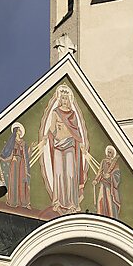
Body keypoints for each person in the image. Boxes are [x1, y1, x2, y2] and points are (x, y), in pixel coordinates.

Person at [38, 85, 89, 214]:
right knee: (59, 174)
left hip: (70, 145)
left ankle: (72, 203)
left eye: (66, 98)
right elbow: (52, 128)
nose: (65, 100)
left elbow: (76, 131)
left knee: (71, 174)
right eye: (63, 98)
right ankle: (57, 202)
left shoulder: (72, 114)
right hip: (58, 145)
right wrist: (45, 138)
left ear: (69, 100)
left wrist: (81, 144)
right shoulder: (55, 112)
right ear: (60, 99)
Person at [0, 123, 31, 209]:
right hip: (14, 163)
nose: (20, 131)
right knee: (14, 181)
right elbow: (7, 152)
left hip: (22, 163)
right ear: (16, 132)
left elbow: (26, 155)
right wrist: (1, 157)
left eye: (20, 130)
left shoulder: (23, 143)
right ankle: (13, 202)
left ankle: (24, 203)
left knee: (22, 181)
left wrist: (31, 149)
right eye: (18, 130)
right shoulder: (12, 142)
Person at [94, 145, 121, 219]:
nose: (108, 154)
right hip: (103, 184)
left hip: (110, 186)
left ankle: (110, 216)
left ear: (113, 154)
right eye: (108, 152)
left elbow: (117, 174)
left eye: (110, 152)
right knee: (101, 200)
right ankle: (101, 216)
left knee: (109, 201)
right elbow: (100, 172)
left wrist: (110, 175)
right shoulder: (103, 161)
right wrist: (96, 180)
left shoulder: (115, 164)